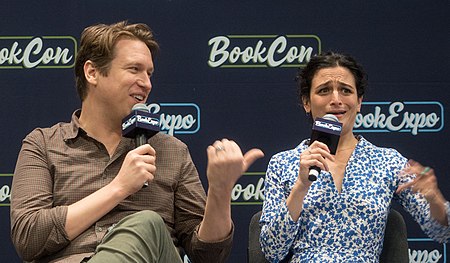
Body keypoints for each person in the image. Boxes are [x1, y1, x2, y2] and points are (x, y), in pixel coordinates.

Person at [10, 21, 264, 263]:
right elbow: (28, 237)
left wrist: (219, 191)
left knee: (147, 225)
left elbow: (208, 256)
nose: (146, 83)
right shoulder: (43, 144)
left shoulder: (171, 151)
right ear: (92, 72)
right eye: (134, 69)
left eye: (149, 73)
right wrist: (119, 188)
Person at [259, 51, 450, 262]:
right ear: (306, 102)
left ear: (359, 102)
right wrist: (300, 187)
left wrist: (434, 199)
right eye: (324, 90)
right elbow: (272, 251)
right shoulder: (283, 163)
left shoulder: (387, 162)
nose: (336, 100)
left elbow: (442, 232)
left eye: (345, 90)